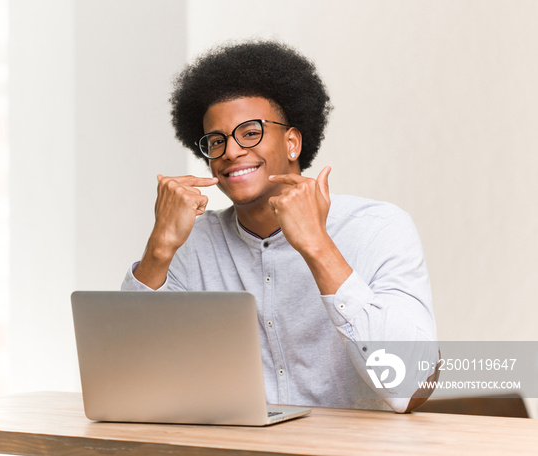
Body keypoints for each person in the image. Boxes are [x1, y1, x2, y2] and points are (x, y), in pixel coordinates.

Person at [121, 40, 438, 413]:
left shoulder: (378, 228)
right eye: (216, 141)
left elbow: (415, 385)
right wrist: (159, 248)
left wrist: (317, 246)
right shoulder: (191, 244)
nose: (231, 151)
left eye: (250, 132)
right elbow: (128, 378)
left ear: (292, 142)